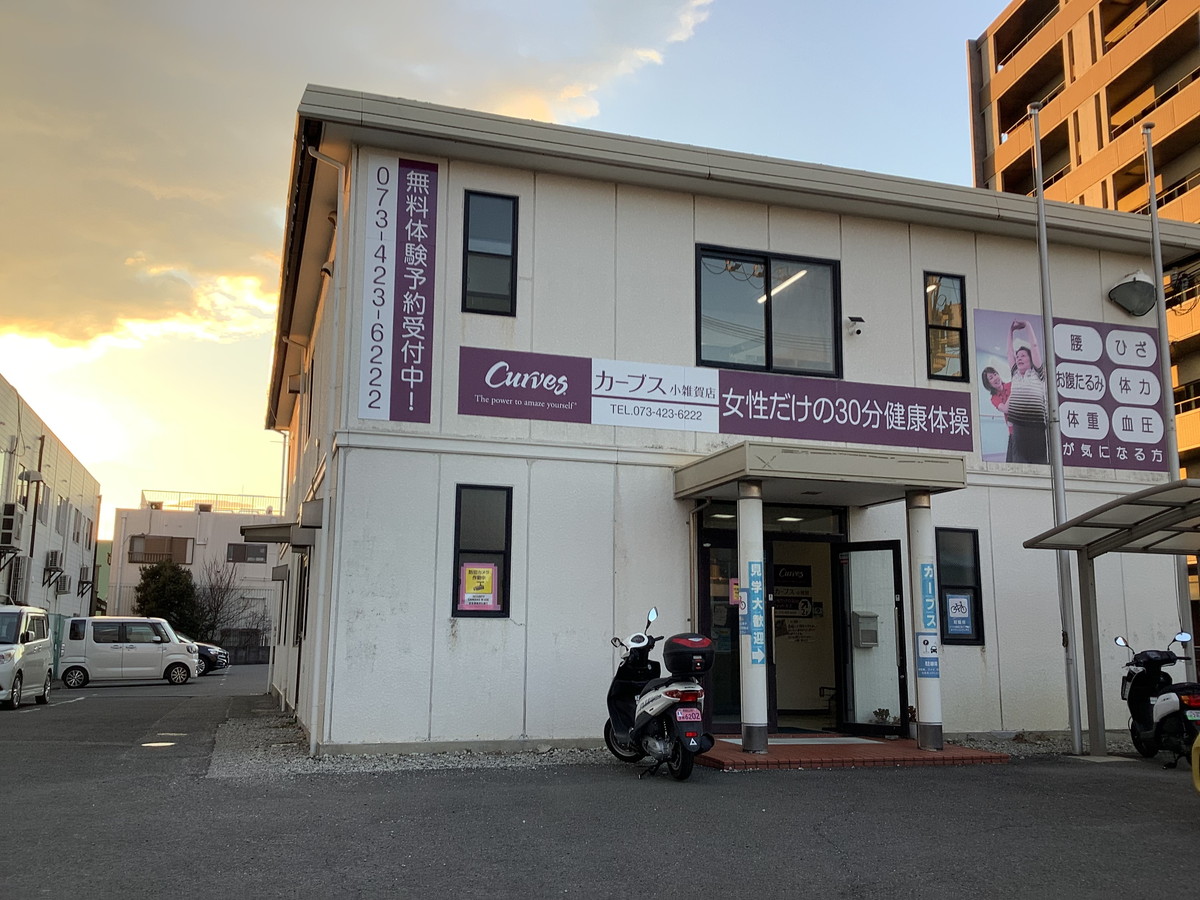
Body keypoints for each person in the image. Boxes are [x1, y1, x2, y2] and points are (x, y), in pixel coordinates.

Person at [1005, 319, 1049, 464]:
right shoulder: (1015, 375)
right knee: (1019, 464)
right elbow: (1009, 352)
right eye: (1017, 357)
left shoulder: (1037, 374)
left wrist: (1027, 325)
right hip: (1018, 430)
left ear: (1031, 359)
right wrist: (1010, 331)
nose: (1019, 358)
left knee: (1039, 465)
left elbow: (1034, 346)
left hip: (1036, 428)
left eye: (1023, 356)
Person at [981, 365, 1014, 461]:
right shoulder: (994, 398)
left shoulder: (1011, 385)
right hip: (1013, 432)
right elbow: (1005, 409)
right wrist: (1015, 391)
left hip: (1024, 426)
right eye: (991, 378)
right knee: (1011, 462)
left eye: (995, 374)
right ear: (988, 384)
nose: (995, 378)